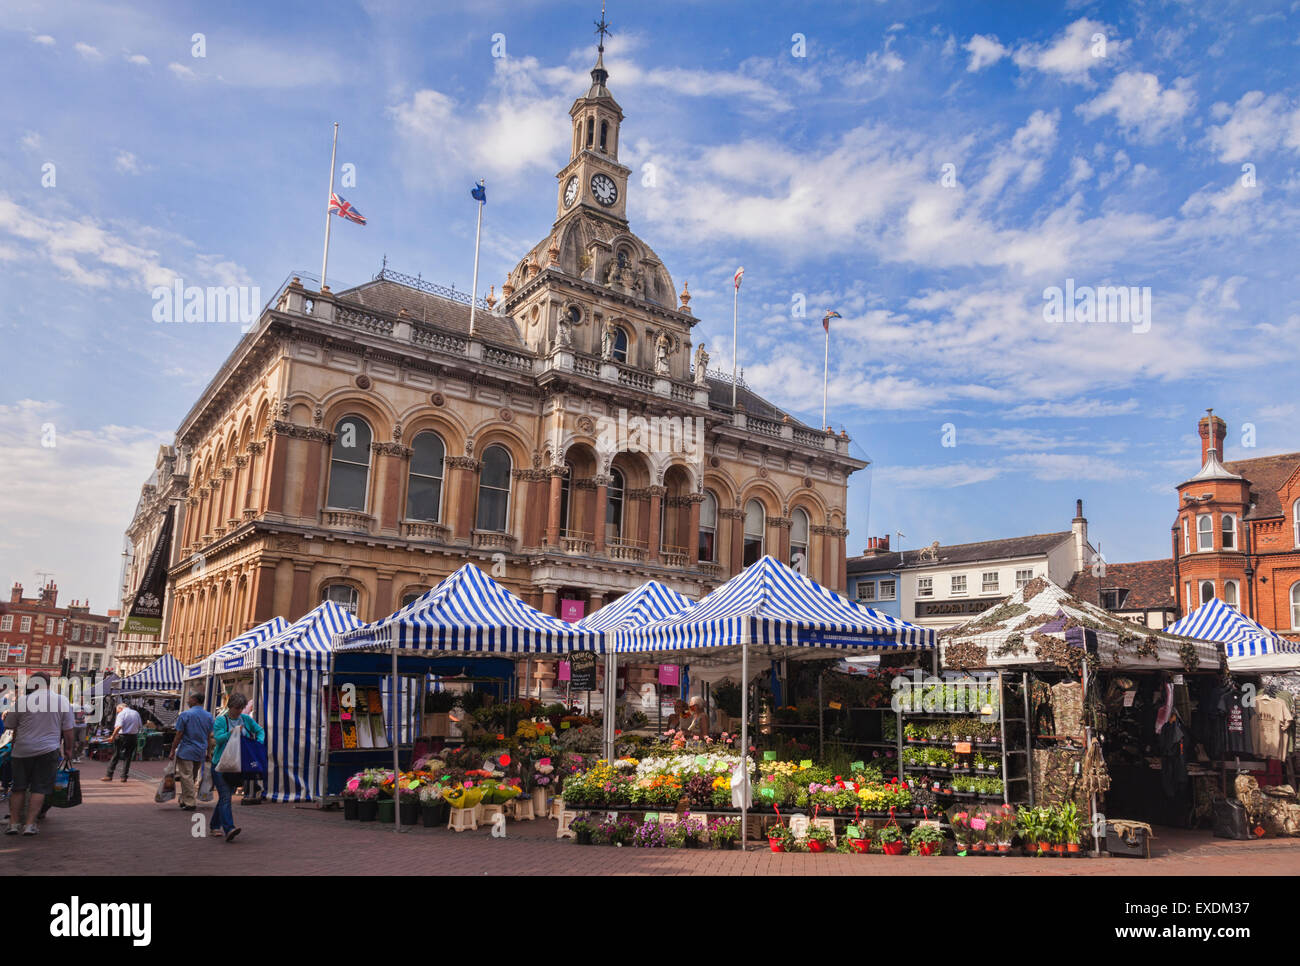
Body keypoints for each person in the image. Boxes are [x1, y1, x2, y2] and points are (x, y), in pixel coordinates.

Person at [3, 674, 76, 836]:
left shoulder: (23, 701)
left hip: (21, 750)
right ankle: (29, 825)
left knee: (18, 788)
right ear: (49, 684)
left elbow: (9, 724)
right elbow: (68, 730)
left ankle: (14, 824)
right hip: (48, 750)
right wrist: (69, 749)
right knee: (40, 788)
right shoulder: (62, 701)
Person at [211, 692, 264, 843]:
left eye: (241, 708)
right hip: (220, 765)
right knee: (226, 796)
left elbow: (259, 731)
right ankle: (229, 828)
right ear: (230, 706)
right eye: (236, 708)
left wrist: (258, 743)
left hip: (237, 765)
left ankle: (214, 825)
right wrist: (232, 733)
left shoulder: (246, 719)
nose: (239, 711)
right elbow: (218, 739)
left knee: (224, 797)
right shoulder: (221, 720)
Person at [169, 694, 213, 812]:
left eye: (189, 699)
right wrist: (208, 752)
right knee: (191, 776)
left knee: (186, 776)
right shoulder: (208, 716)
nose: (188, 701)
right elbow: (209, 736)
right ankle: (184, 799)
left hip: (187, 750)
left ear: (194, 700)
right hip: (200, 751)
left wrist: (173, 749)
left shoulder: (185, 714)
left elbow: (179, 734)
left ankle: (190, 802)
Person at [101, 701, 142, 782]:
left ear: (120, 708)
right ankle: (124, 776)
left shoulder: (122, 713)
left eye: (117, 711)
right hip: (133, 736)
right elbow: (140, 725)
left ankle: (109, 775)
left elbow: (119, 726)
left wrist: (112, 736)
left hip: (122, 736)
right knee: (128, 757)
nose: (117, 712)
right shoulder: (136, 713)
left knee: (116, 755)